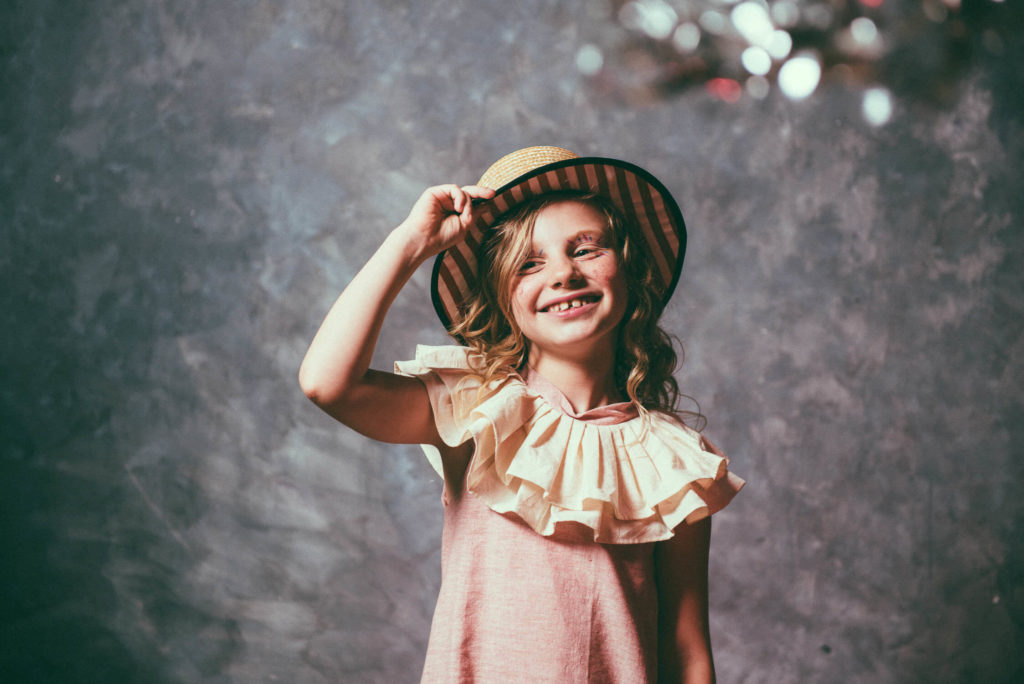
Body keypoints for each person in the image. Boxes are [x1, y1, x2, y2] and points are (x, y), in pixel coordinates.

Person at [299, 146, 745, 683]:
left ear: (629, 269)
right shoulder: (477, 408)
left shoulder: (674, 462)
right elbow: (328, 384)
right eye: (529, 264)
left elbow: (687, 645)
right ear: (501, 300)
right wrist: (410, 243)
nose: (562, 274)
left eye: (586, 250)